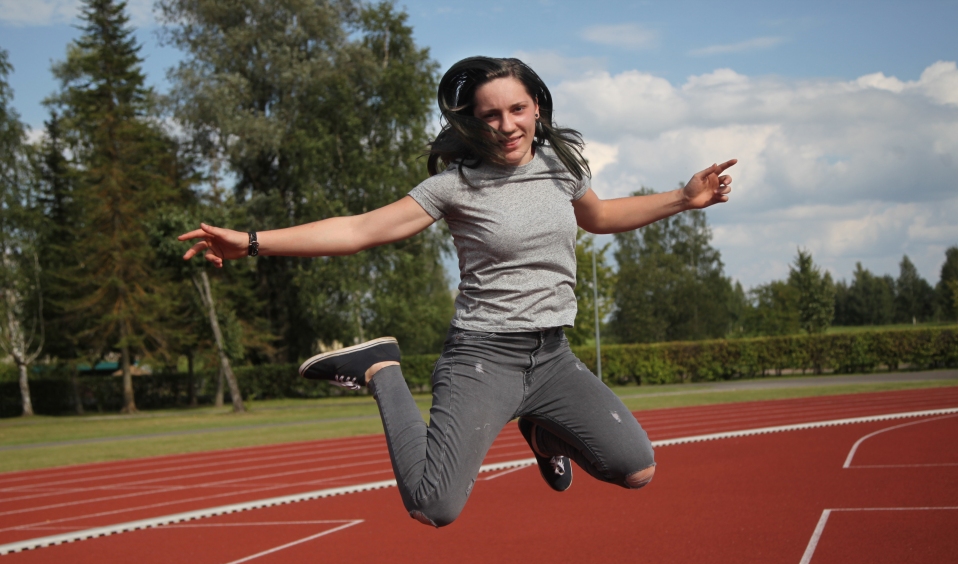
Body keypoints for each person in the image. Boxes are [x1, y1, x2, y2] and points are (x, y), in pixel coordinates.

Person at [180, 56, 735, 528]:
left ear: (537, 106)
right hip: (482, 358)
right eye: (490, 114)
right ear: (473, 121)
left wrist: (684, 199)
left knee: (635, 469)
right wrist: (252, 242)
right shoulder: (454, 185)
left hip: (553, 357)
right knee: (433, 505)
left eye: (517, 109)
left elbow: (602, 215)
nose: (507, 125)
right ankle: (381, 370)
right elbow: (358, 230)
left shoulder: (560, 166)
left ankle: (542, 433)